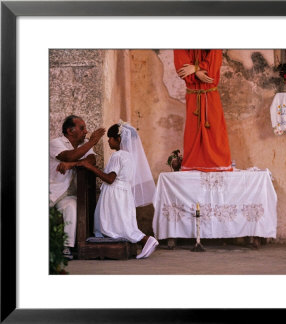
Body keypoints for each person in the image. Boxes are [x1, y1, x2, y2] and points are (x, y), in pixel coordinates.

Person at [75, 122, 158, 259]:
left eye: (110, 138)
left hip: (114, 194)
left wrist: (89, 167)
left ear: (118, 139)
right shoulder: (130, 156)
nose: (108, 141)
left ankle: (146, 240)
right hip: (124, 193)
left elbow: (110, 178)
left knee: (121, 227)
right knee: (123, 224)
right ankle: (144, 242)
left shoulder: (118, 155)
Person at [50, 115, 105, 259]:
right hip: (52, 191)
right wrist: (92, 142)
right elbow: (68, 156)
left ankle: (66, 247)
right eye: (82, 128)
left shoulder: (84, 144)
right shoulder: (56, 143)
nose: (86, 131)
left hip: (69, 194)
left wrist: (73, 164)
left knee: (72, 207)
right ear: (70, 131)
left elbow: (91, 159)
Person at [174, 49, 233, 172]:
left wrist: (195, 68)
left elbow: (211, 72)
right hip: (193, 97)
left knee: (216, 132)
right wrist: (198, 72)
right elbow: (182, 70)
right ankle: (193, 164)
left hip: (210, 96)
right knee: (192, 132)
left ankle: (218, 164)